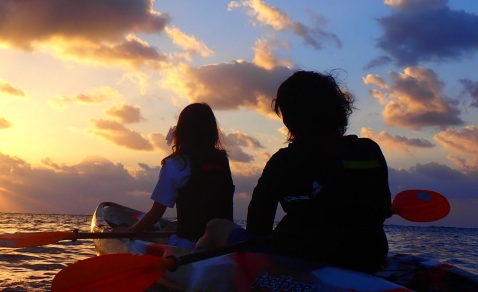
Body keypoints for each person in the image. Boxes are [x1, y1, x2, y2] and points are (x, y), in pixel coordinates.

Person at [197, 70, 392, 272]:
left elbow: (257, 228)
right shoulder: (368, 150)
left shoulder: (282, 162)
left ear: (288, 118)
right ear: (338, 109)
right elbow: (383, 209)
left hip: (299, 257)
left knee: (215, 226)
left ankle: (191, 274)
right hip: (369, 256)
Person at [118, 102, 235, 249]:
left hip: (190, 245)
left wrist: (129, 232)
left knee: (158, 236)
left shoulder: (177, 164)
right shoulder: (222, 160)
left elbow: (156, 213)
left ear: (182, 131)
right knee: (170, 230)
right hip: (224, 245)